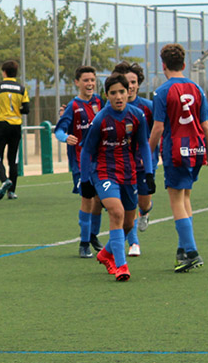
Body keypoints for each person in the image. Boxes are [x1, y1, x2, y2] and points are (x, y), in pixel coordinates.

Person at [148, 43, 208, 273]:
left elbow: (158, 128)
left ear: (163, 65)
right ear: (184, 65)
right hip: (196, 150)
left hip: (176, 150)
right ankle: (183, 251)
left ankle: (192, 251)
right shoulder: (197, 89)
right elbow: (206, 124)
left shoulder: (162, 91)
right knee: (185, 197)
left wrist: (148, 153)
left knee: (176, 200)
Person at [79, 73, 154, 282]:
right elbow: (86, 152)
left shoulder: (137, 115)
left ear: (128, 92)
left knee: (129, 223)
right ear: (107, 95)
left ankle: (105, 254)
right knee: (116, 212)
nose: (119, 96)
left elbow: (144, 145)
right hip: (104, 172)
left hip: (129, 173)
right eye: (113, 93)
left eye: (122, 91)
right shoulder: (101, 119)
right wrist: (85, 181)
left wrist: (148, 173)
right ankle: (121, 266)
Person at [54, 65, 105, 257]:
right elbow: (59, 130)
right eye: (86, 80)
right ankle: (84, 244)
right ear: (77, 83)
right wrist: (65, 137)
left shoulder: (100, 101)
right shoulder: (73, 107)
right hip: (80, 162)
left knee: (100, 200)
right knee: (87, 200)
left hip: (100, 160)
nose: (90, 83)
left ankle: (92, 235)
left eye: (92, 80)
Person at [115, 61, 156, 257]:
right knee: (125, 205)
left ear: (138, 83)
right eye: (126, 82)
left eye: (133, 82)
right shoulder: (112, 106)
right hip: (122, 165)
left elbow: (159, 130)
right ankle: (133, 243)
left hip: (144, 164)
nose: (130, 86)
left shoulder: (148, 107)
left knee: (142, 202)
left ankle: (147, 211)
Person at [0, 60, 29, 200]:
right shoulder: (22, 88)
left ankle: (5, 181)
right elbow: (26, 110)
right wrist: (16, 110)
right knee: (13, 159)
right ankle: (12, 191)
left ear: (4, 72)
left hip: (1, 124)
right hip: (16, 126)